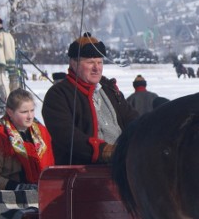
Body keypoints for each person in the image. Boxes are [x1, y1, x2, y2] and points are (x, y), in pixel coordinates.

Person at [42, 33, 138, 165]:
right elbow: (66, 136)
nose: (96, 68)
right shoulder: (58, 95)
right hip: (83, 170)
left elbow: (132, 118)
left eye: (100, 62)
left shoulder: (109, 89)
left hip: (121, 164)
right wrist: (104, 151)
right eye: (90, 62)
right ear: (73, 63)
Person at [0, 89, 54, 190]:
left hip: (44, 189)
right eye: (24, 112)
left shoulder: (41, 132)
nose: (30, 116)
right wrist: (18, 187)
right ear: (10, 112)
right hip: (11, 194)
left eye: (32, 110)